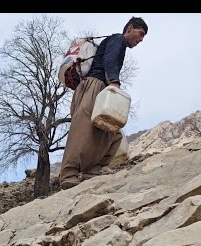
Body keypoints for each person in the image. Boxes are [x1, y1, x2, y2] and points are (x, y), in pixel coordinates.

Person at [59, 17, 148, 190]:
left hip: (100, 88)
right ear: (130, 28)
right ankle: (68, 174)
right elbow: (109, 61)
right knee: (82, 128)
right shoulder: (117, 40)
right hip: (94, 85)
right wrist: (114, 82)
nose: (141, 40)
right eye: (141, 34)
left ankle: (91, 170)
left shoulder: (118, 43)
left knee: (111, 134)